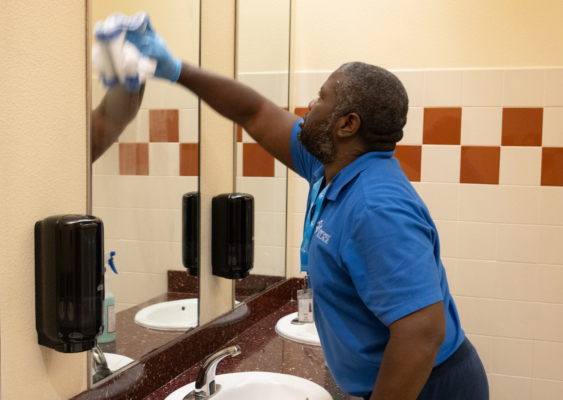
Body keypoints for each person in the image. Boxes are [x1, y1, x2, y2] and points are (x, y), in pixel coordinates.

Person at [139, 28, 490, 400]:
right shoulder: (331, 167)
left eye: (322, 97)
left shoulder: (375, 207)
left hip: (432, 387)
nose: (309, 104)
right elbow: (255, 112)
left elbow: (422, 332)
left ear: (346, 124)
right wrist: (175, 69)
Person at [0, 74, 144, 373]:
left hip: (44, 351)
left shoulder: (49, 165)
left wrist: (132, 71)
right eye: (16, 104)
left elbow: (110, 120)